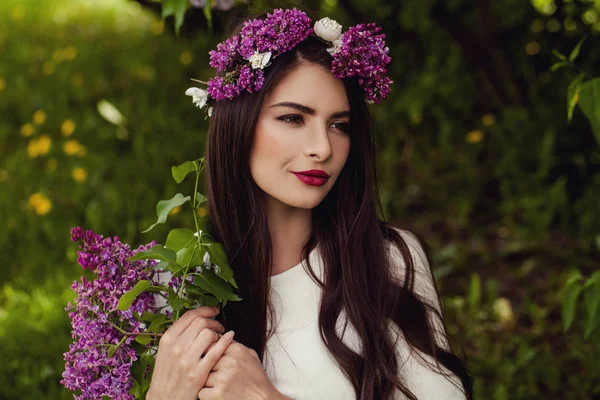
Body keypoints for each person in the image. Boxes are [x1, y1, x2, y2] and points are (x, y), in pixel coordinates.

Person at [148, 8, 473, 400]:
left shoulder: (387, 260)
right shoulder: (177, 286)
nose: (323, 148)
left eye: (339, 125)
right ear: (239, 124)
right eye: (293, 119)